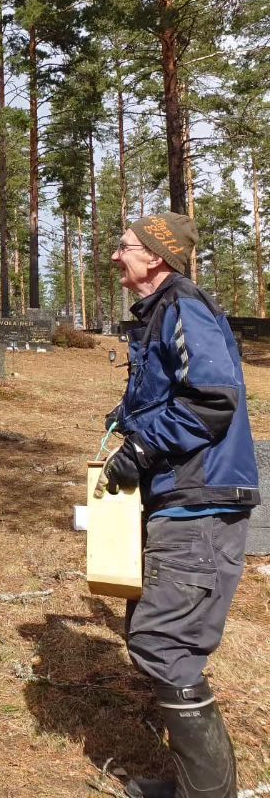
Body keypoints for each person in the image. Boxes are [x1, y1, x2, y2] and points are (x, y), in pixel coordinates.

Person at [97, 213, 260, 798]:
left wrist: (143, 444)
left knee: (164, 641)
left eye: (124, 247)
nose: (116, 256)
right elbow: (172, 391)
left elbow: (213, 398)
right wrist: (128, 418)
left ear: (157, 257)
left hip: (202, 504)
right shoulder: (159, 315)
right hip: (181, 500)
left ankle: (210, 795)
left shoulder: (184, 307)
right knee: (153, 632)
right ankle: (199, 788)